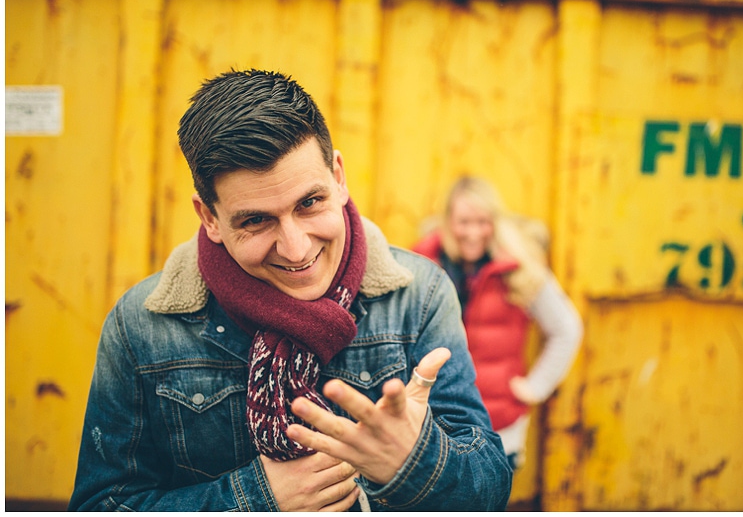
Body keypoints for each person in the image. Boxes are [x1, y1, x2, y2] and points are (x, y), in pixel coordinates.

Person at [68, 70, 512, 511]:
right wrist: (255, 499)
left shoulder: (418, 295)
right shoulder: (142, 327)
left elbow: (489, 488)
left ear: (338, 177)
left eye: (309, 203)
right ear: (209, 218)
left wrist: (413, 463)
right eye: (256, 220)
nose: (296, 249)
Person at [412, 176, 583, 471]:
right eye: (464, 222)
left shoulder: (519, 269)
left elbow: (566, 328)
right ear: (448, 221)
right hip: (433, 424)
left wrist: (535, 387)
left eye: (483, 221)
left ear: (496, 223)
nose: (474, 232)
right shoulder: (423, 264)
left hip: (499, 425)